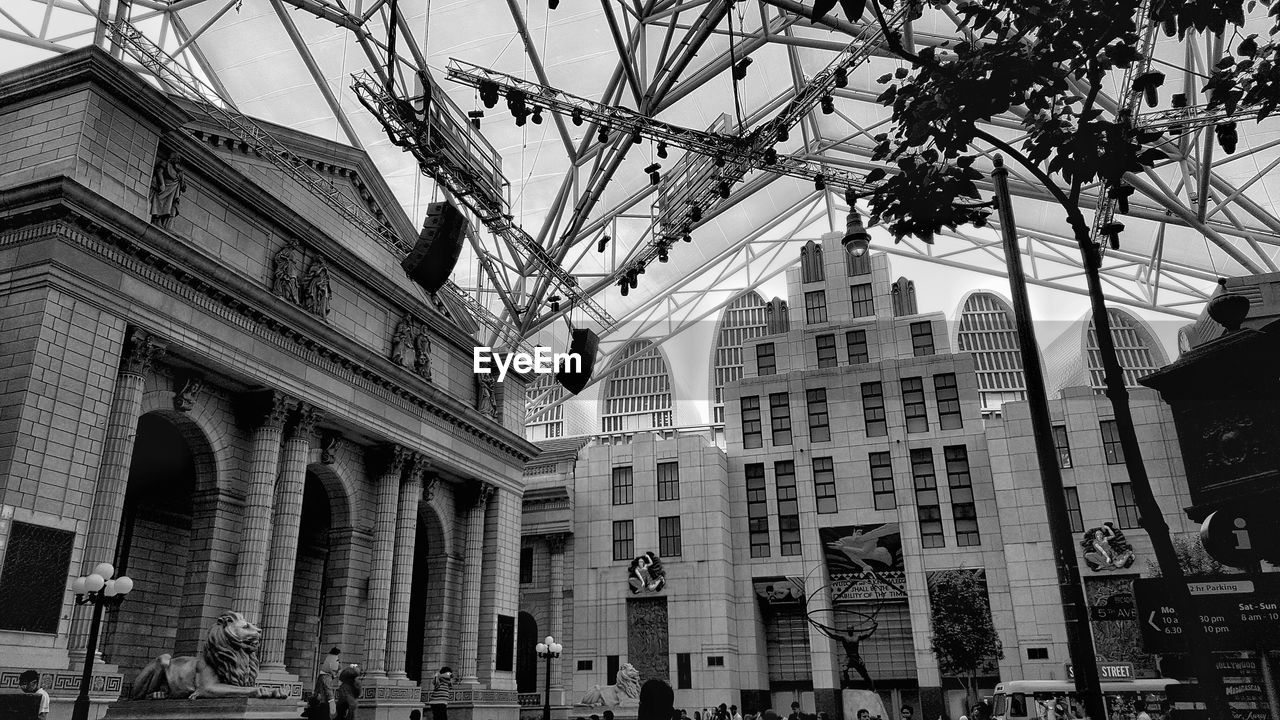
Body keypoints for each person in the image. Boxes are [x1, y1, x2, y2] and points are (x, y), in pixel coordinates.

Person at [305, 647, 342, 719]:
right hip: (323, 706)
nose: (338, 662)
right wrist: (332, 706)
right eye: (338, 661)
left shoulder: (323, 675)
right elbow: (329, 692)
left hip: (318, 705)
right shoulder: (326, 676)